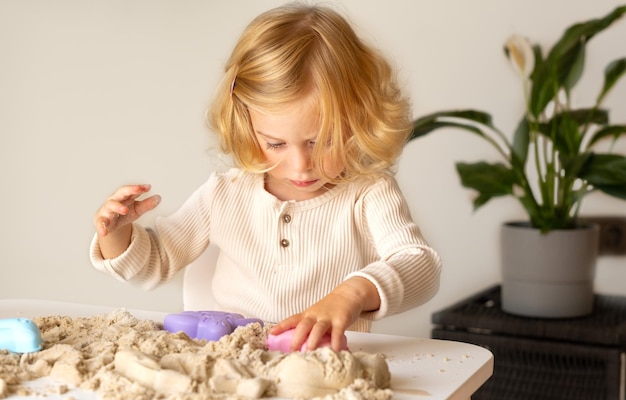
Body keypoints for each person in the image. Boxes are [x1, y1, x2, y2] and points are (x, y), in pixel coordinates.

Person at [90, 2, 441, 352]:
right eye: (276, 144)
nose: (302, 164)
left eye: (324, 141)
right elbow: (155, 262)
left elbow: (420, 265)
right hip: (232, 363)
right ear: (246, 125)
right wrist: (118, 234)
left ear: (360, 117)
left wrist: (352, 294)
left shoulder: (368, 193)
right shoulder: (226, 192)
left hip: (327, 370)